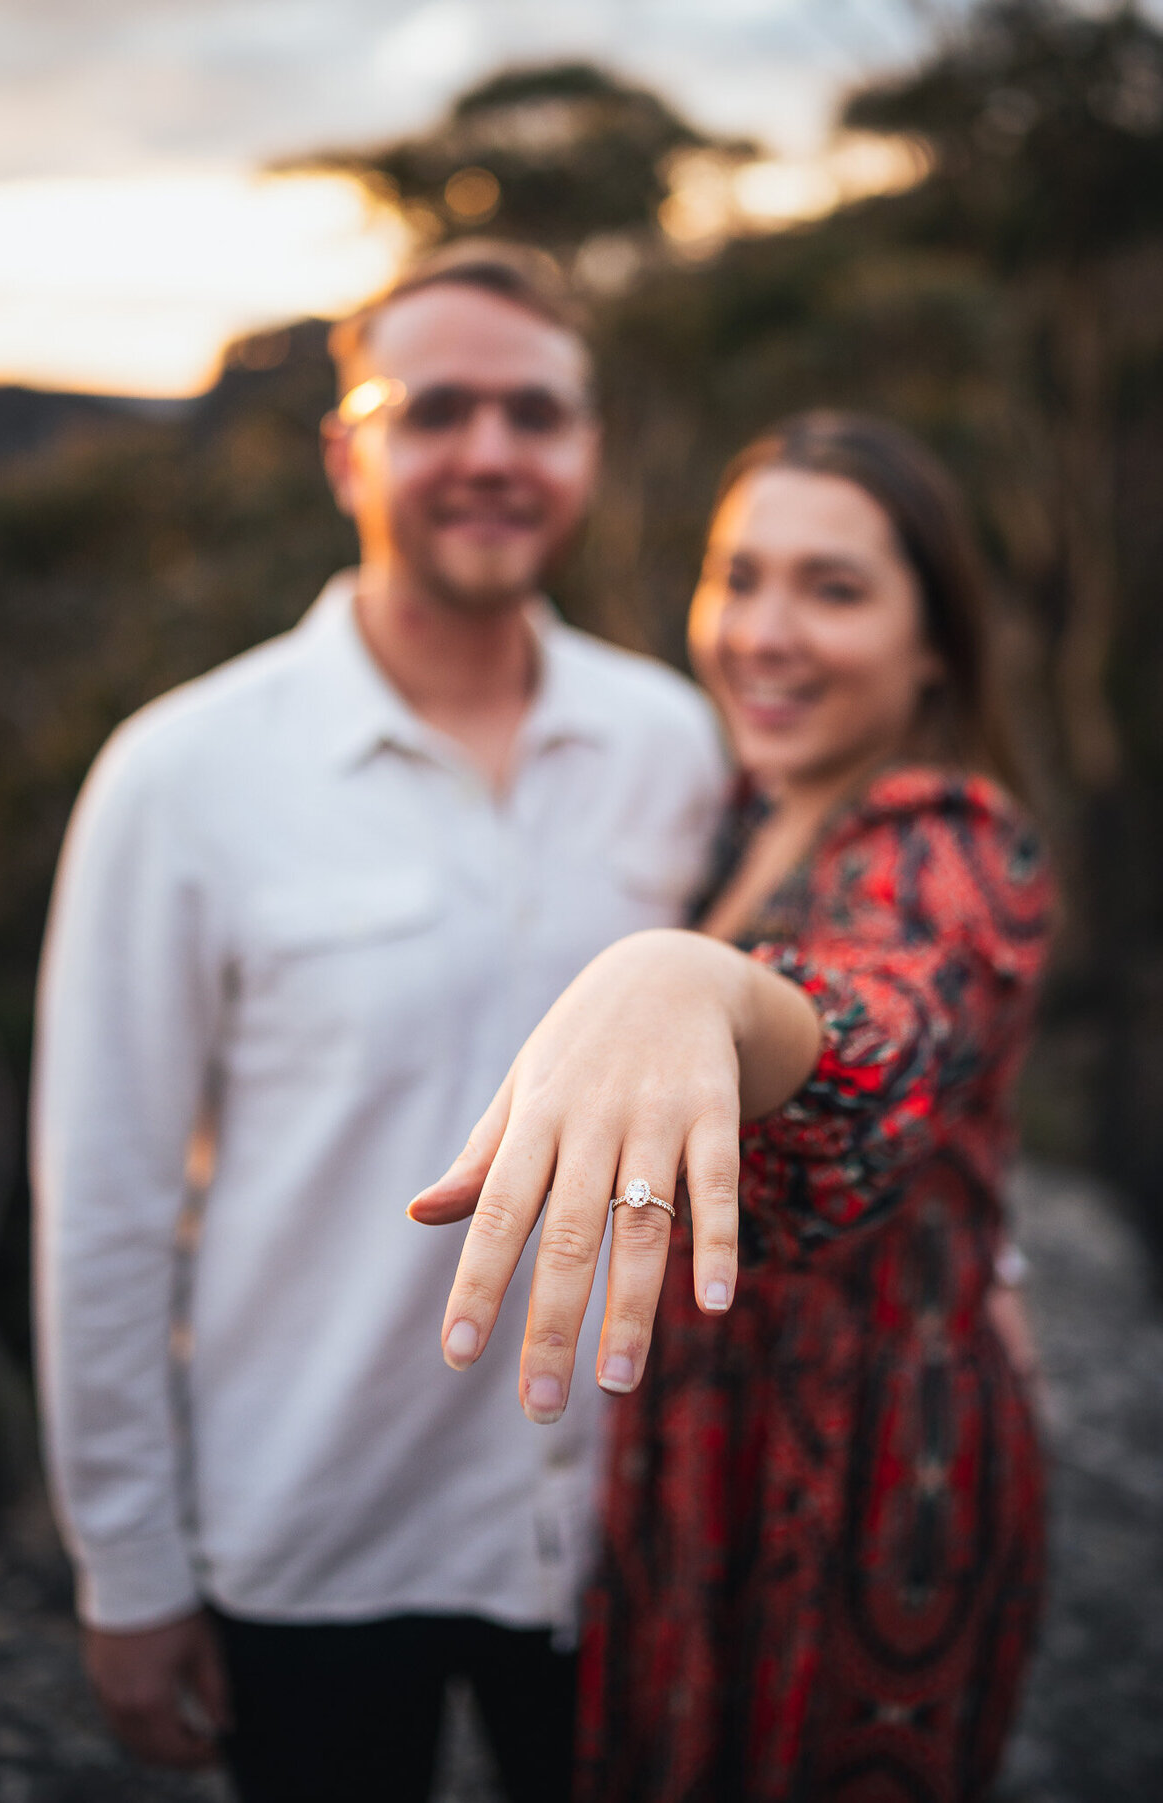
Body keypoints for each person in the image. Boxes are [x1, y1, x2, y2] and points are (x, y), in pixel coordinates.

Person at [32, 243, 727, 1803]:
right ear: (349, 450)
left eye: (534, 414)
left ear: (588, 450)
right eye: (437, 410)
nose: (490, 452)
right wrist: (129, 1569)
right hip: (316, 1533)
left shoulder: (670, 741)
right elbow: (109, 1210)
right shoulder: (182, 776)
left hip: (619, 1533)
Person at [411, 411, 1052, 1802]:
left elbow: (892, 1016)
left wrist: (686, 981)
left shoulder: (951, 843)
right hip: (704, 1459)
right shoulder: (736, 813)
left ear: (933, 641)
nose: (765, 632)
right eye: (739, 575)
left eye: (833, 589)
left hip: (877, 1484)